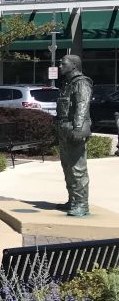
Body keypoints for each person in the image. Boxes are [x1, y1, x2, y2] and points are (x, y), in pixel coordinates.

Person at [55, 54, 93, 217]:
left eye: (63, 63)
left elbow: (82, 106)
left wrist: (78, 128)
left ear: (74, 66)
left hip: (74, 128)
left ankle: (81, 204)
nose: (60, 66)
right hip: (65, 128)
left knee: (77, 168)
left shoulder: (81, 83)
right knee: (67, 167)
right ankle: (73, 200)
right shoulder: (68, 83)